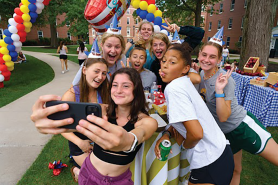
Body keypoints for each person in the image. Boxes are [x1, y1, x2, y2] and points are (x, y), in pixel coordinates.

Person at [31, 67, 158, 185]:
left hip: (120, 181)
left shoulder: (147, 121)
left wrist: (129, 140)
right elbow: (69, 120)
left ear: (136, 90)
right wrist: (48, 119)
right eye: (114, 85)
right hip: (89, 174)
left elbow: (141, 132)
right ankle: (78, 171)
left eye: (126, 86)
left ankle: (76, 171)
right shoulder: (101, 111)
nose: (118, 90)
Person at [198, 41, 278, 185]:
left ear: (218, 60)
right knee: (235, 170)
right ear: (199, 55)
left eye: (212, 57)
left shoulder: (224, 79)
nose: (207, 60)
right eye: (204, 55)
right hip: (224, 134)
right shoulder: (201, 74)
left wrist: (219, 90)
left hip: (242, 127)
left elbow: (223, 116)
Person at [155, 44, 234, 185]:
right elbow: (184, 120)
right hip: (220, 154)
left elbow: (196, 133)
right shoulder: (183, 82)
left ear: (185, 69)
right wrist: (168, 133)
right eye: (164, 60)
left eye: (172, 62)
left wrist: (185, 145)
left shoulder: (174, 88)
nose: (165, 65)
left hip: (210, 160)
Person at [61, 57, 109, 182]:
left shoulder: (105, 92)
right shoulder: (71, 95)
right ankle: (78, 169)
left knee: (110, 169)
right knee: (99, 174)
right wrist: (80, 143)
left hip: (99, 141)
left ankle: (78, 170)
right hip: (80, 144)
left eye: (104, 73)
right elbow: (61, 127)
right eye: (96, 71)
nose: (100, 77)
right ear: (84, 70)